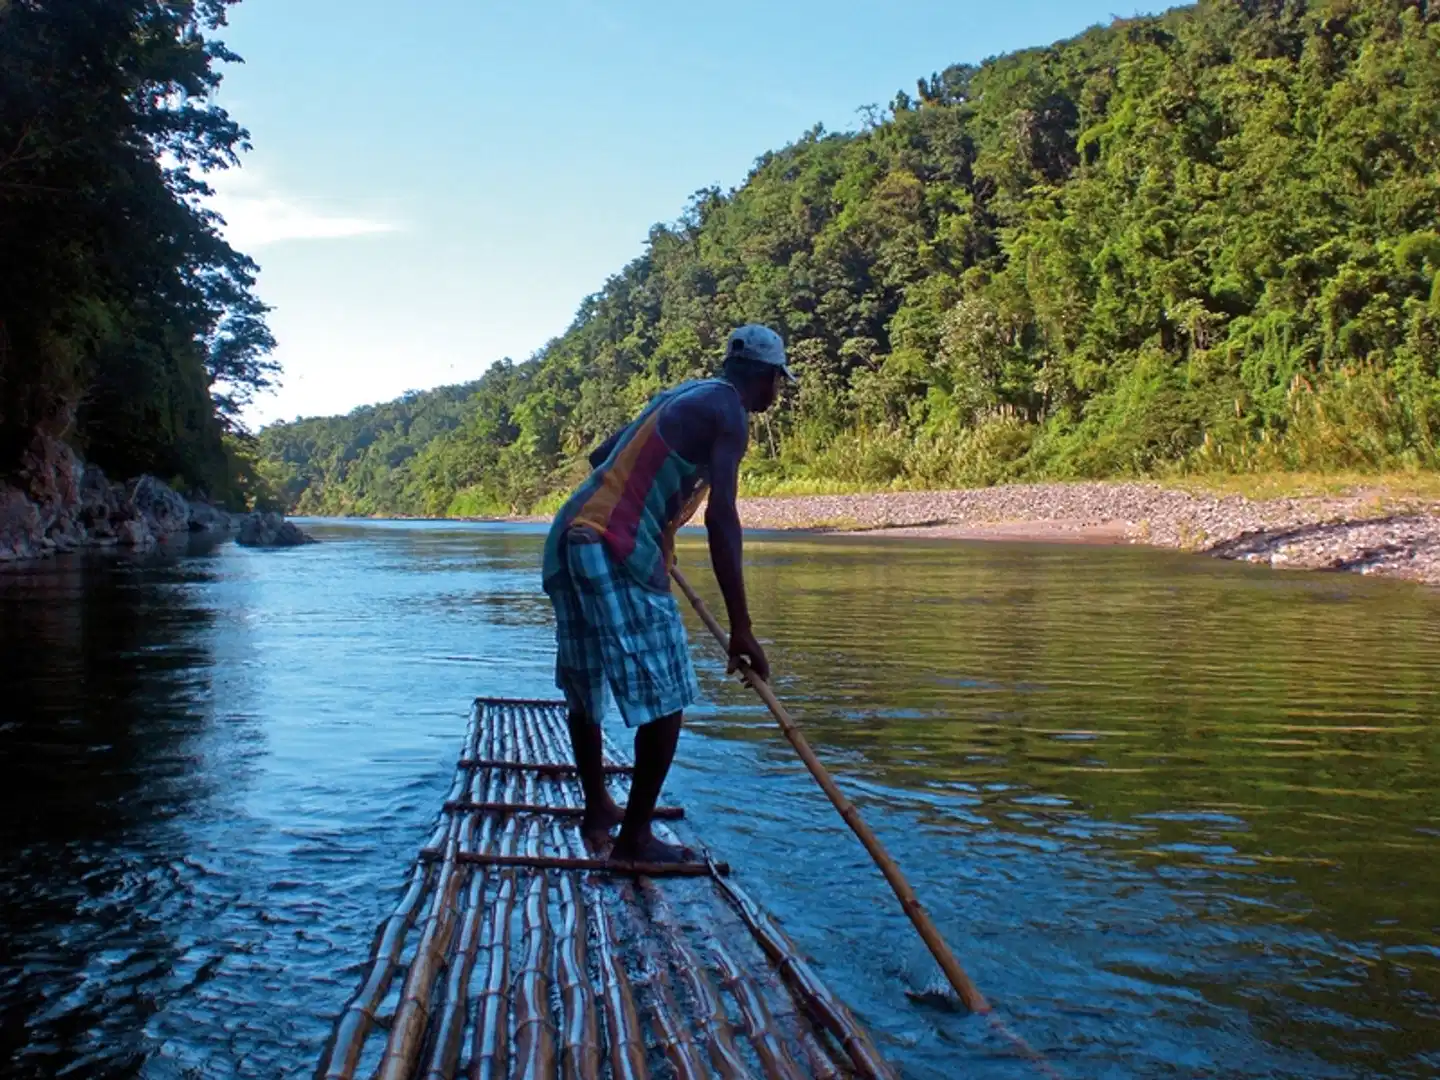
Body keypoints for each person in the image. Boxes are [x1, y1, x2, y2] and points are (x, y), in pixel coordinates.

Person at [541, 324, 794, 863]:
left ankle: (598, 809)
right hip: (614, 545)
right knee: (669, 696)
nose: (777, 392)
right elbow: (722, 518)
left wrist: (658, 519)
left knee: (585, 686)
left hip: (571, 534)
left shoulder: (684, 395)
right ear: (766, 377)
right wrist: (741, 628)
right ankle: (634, 840)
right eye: (779, 381)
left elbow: (602, 457)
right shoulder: (730, 412)